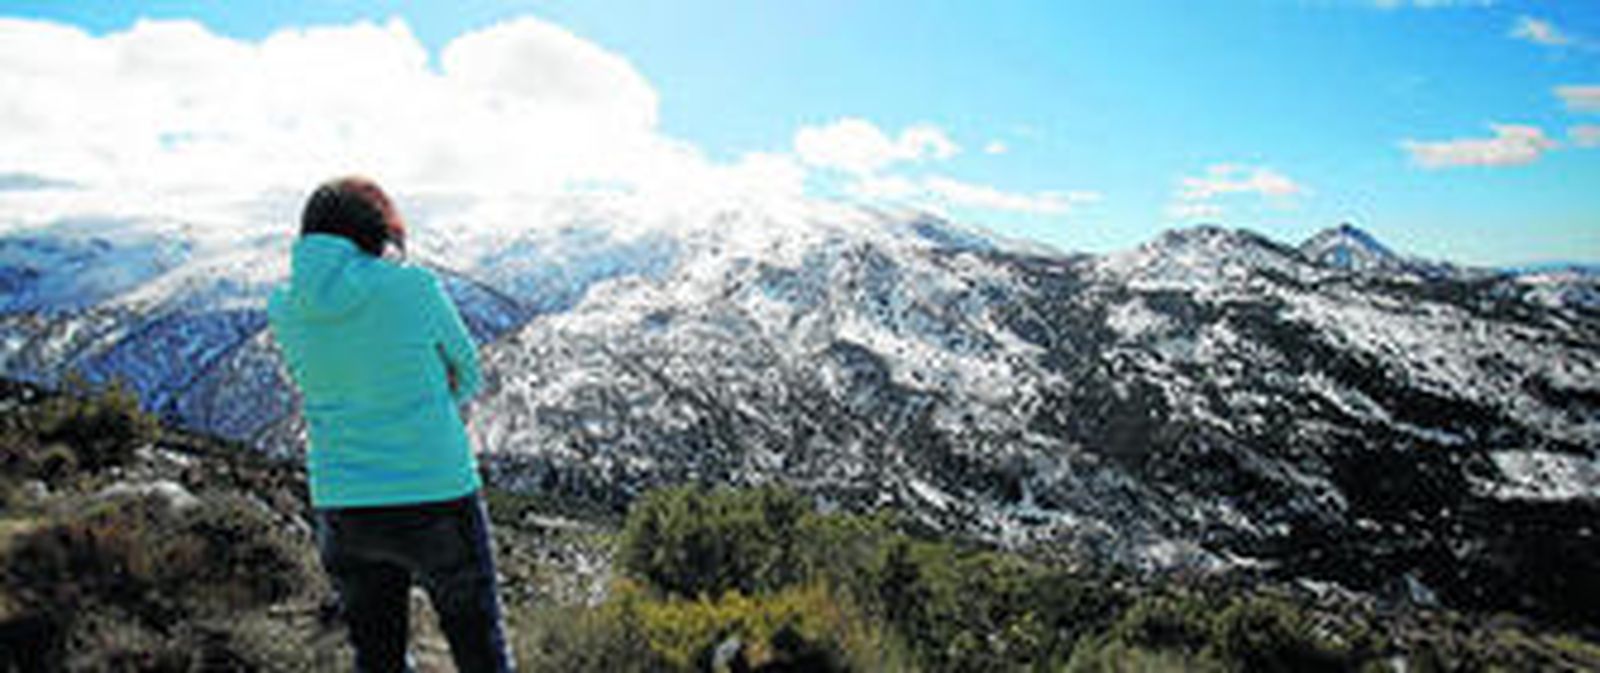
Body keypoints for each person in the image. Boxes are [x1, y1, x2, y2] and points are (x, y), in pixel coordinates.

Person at [267, 176, 515, 672]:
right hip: (437, 492)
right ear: (374, 227)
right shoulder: (414, 286)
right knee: (478, 647)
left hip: (343, 501)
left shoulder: (284, 305)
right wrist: (426, 403)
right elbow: (469, 373)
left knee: (377, 657)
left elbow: (313, 384)